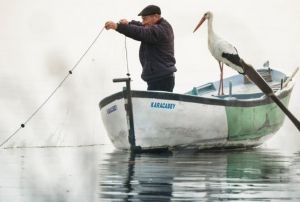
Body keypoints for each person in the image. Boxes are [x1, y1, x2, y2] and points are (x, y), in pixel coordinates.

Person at [105, 5, 177, 92]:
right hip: (156, 79)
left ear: (156, 17)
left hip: (162, 80)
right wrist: (129, 23)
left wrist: (117, 26)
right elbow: (142, 26)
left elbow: (141, 32)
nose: (143, 22)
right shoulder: (156, 26)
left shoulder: (161, 30)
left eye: (145, 19)